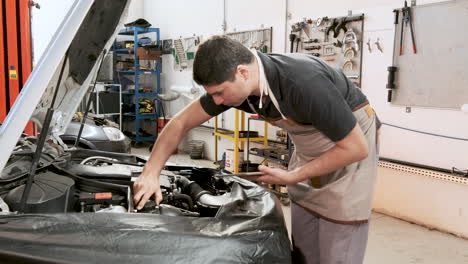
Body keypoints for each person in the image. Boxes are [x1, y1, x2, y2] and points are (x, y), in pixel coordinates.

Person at [133, 35, 379, 264]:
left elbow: (356, 148)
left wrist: (295, 175)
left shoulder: (303, 82)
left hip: (349, 145)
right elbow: (180, 122)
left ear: (242, 72)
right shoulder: (242, 86)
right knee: (305, 238)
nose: (216, 102)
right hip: (309, 148)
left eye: (219, 93)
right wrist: (150, 173)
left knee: (339, 237)